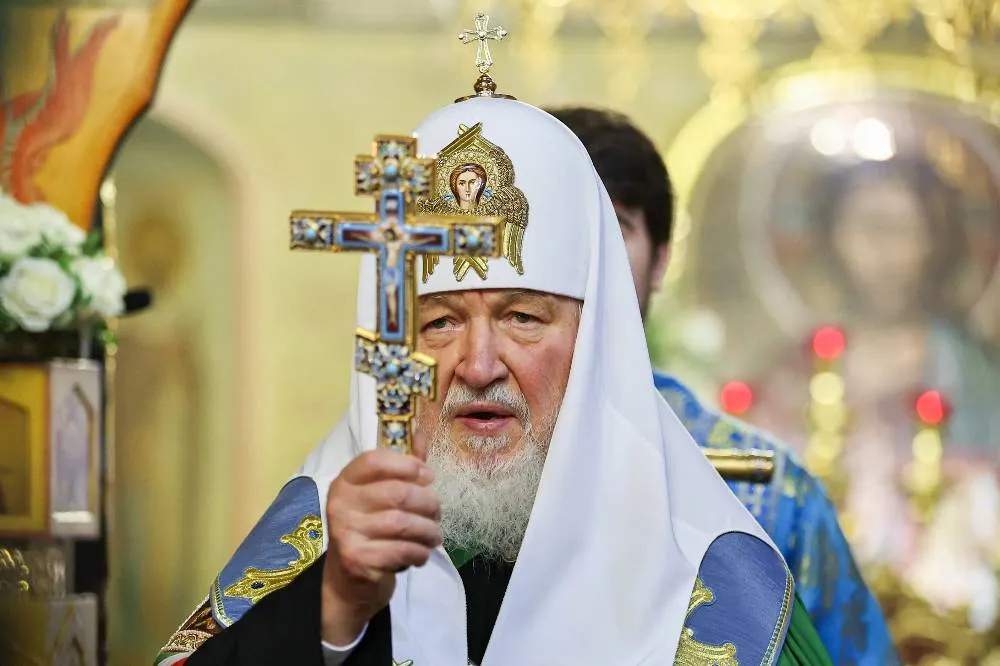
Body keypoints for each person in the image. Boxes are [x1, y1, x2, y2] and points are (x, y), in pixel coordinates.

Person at [155, 90, 834, 665]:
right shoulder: (326, 532)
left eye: (522, 318)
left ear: (595, 341)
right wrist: (334, 606)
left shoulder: (712, 584)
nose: (478, 367)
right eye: (439, 323)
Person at [544, 108, 898, 664]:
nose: (586, 259)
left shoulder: (770, 494)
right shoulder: (455, 470)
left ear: (660, 261)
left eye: (614, 228)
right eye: (555, 227)